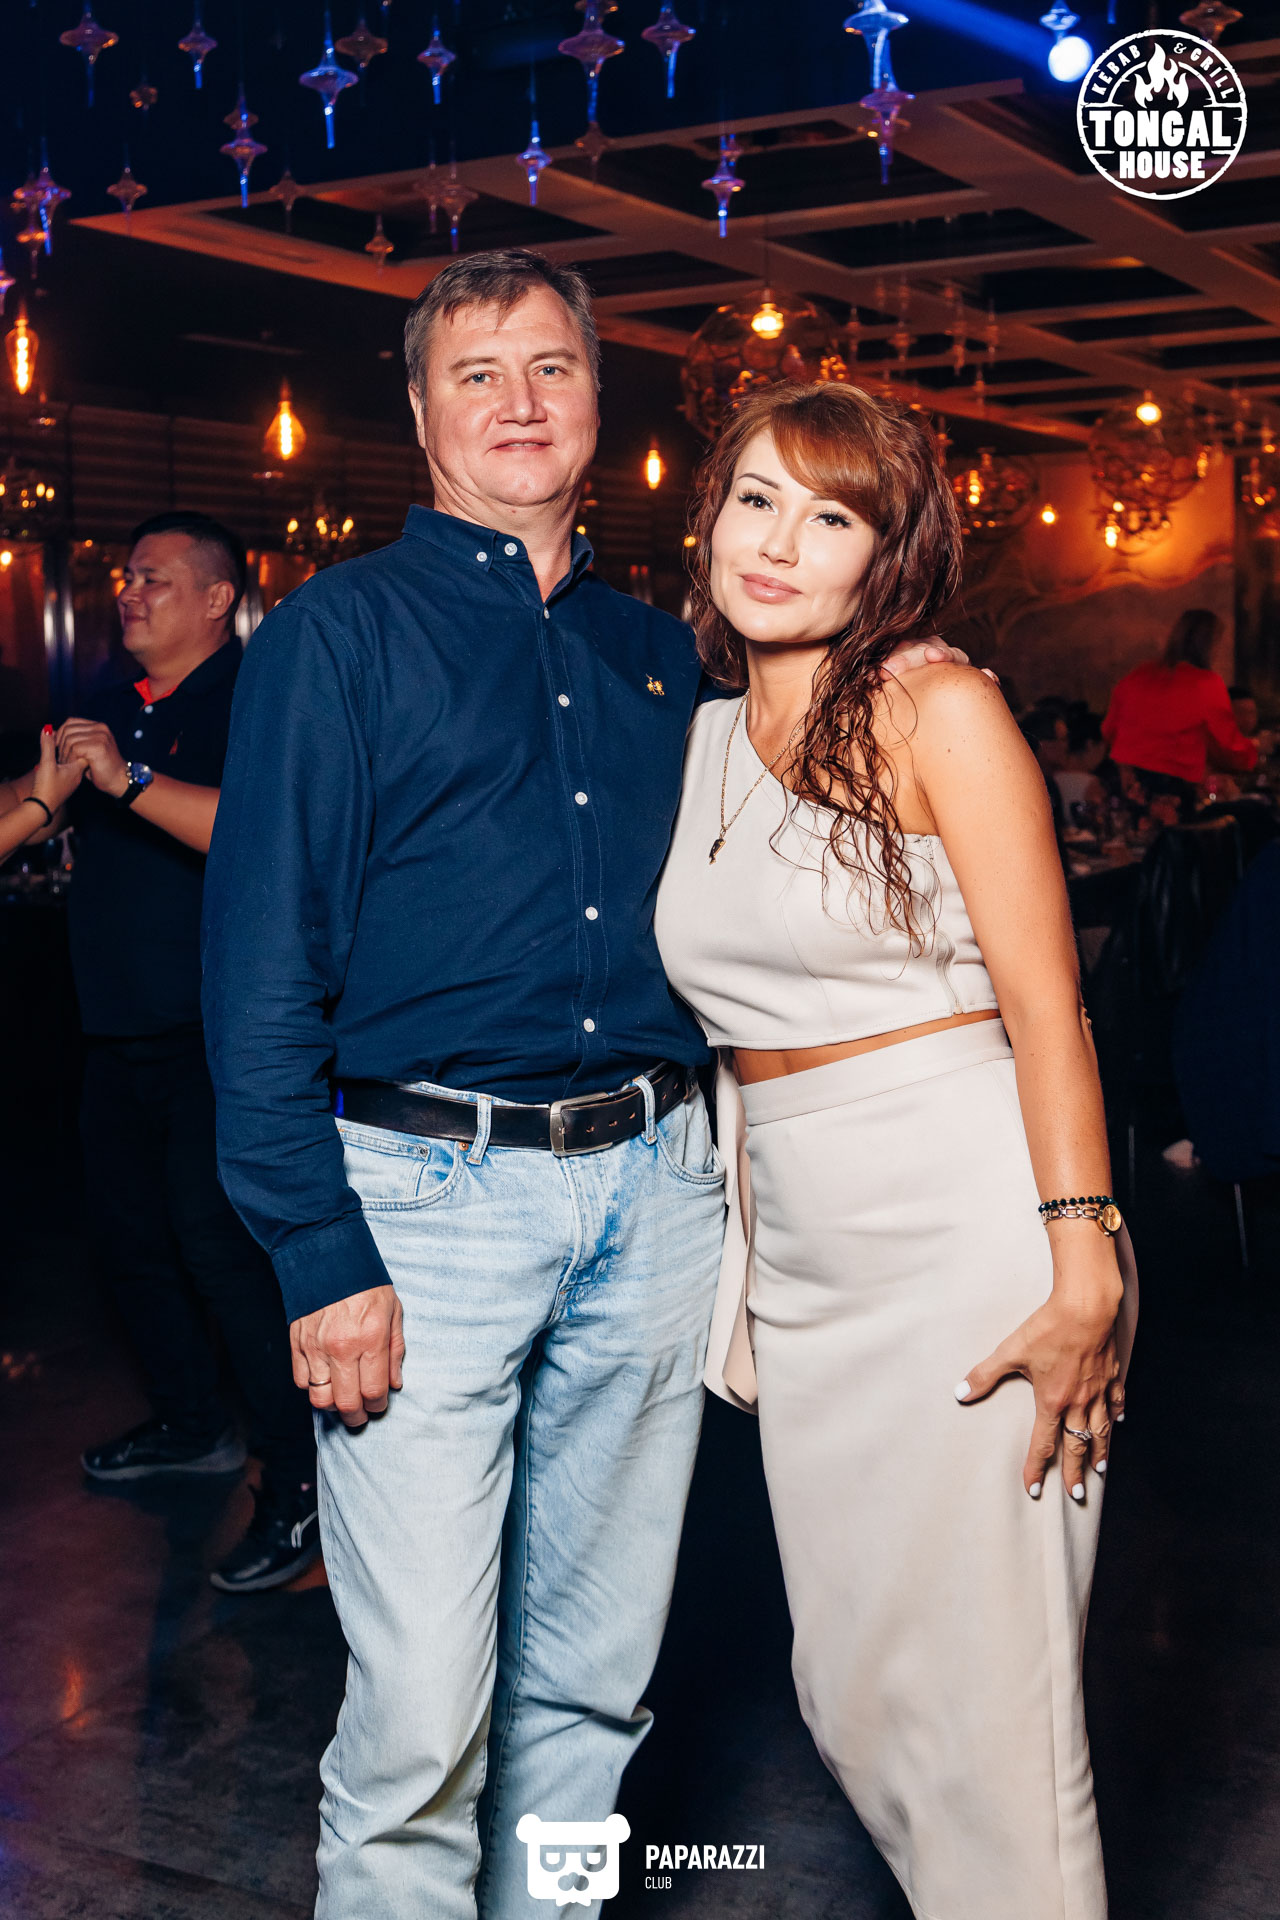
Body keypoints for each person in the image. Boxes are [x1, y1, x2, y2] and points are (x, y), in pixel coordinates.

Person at [199, 248, 976, 1918]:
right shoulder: (333, 637)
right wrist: (316, 1252)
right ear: (420, 413)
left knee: (592, 1693)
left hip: (657, 1195)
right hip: (424, 1213)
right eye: (476, 373)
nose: (518, 401)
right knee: (420, 1722)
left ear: (599, 404)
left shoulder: (663, 656)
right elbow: (257, 968)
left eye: (550, 367)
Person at [654, 382, 1139, 1920]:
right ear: (709, 518)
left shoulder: (938, 711)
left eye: (831, 517)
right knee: (855, 1697)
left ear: (888, 556)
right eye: (756, 500)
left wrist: (1084, 1262)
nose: (779, 543)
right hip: (807, 1257)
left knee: (995, 1727)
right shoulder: (700, 738)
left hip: (967, 1236)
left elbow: (1050, 1010)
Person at [5, 512, 318, 1594]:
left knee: (221, 1253)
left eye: (154, 579)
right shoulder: (105, 699)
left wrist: (126, 779)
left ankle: (297, 1481)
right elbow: (37, 811)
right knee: (127, 1241)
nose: (128, 593)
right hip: (115, 1028)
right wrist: (49, 793)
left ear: (219, 599)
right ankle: (193, 1422)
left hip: (219, 1033)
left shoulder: (258, 696)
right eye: (126, 577)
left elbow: (266, 833)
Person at [1101, 608, 1259, 816]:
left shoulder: (1139, 675)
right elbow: (1227, 744)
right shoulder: (1204, 683)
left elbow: (1109, 729)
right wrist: (1254, 751)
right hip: (1173, 792)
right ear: (1209, 645)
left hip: (1129, 789)